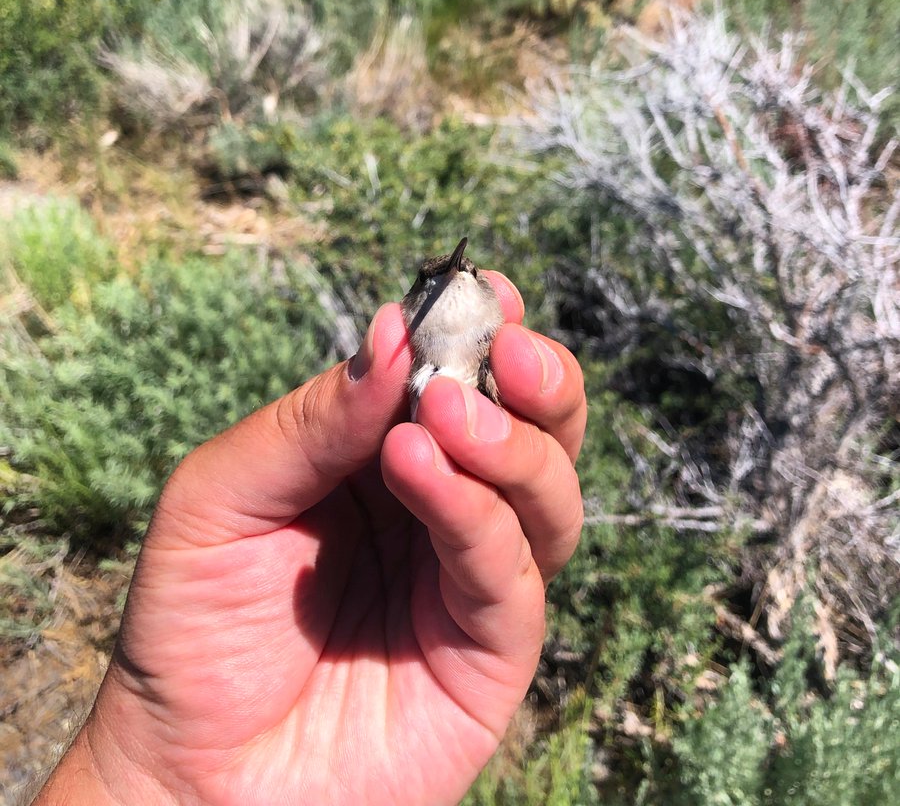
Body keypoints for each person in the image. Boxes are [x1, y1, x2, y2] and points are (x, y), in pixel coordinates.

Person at [34, 271, 586, 806]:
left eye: (467, 275)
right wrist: (156, 772)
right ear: (412, 310)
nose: (453, 281)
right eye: (433, 280)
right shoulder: (405, 362)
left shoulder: (485, 361)